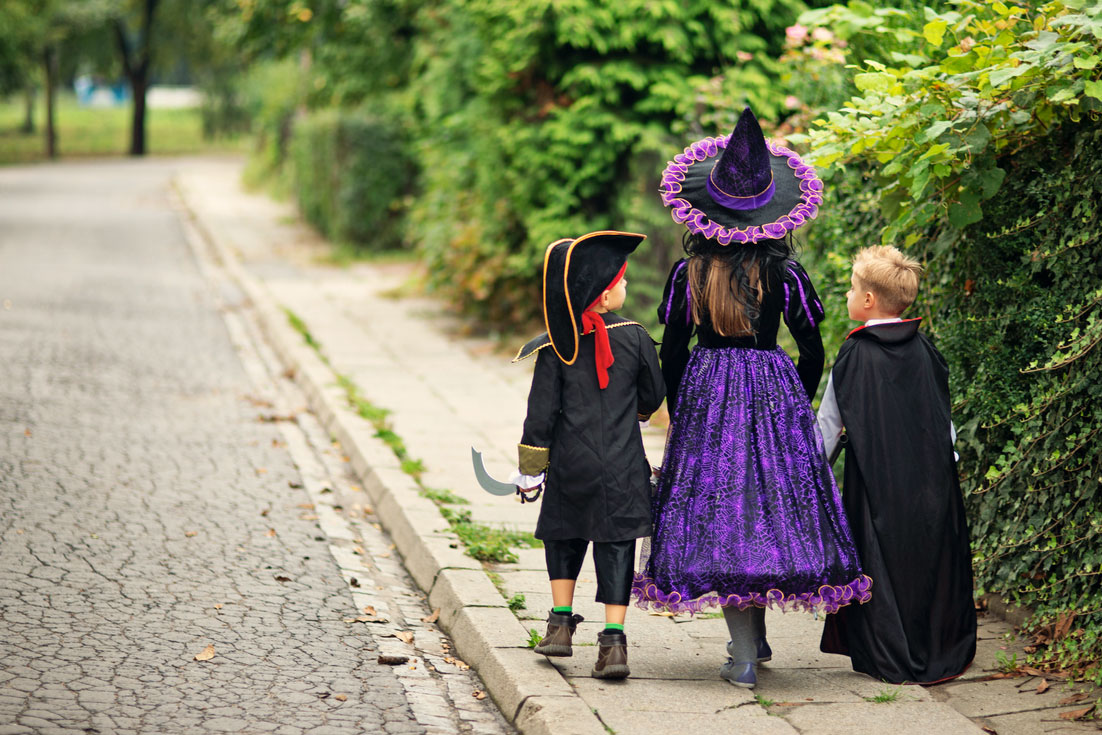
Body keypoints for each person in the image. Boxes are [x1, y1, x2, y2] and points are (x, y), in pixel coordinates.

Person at [631, 106, 871, 689]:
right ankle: (750, 642)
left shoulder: (689, 273)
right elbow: (813, 349)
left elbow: (672, 350)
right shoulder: (787, 275)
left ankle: (744, 652)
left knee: (719, 513)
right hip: (772, 391)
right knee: (762, 508)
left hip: (708, 389)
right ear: (774, 210)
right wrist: (796, 397)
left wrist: (682, 401)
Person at [817, 245, 976, 684]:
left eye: (852, 289)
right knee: (924, 562)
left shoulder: (854, 354)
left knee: (880, 562)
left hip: (875, 484)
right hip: (930, 481)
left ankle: (886, 650)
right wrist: (947, 464)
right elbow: (944, 424)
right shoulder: (926, 351)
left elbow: (828, 427)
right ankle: (932, 645)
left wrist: (811, 473)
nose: (848, 295)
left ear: (868, 301)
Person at [513, 230, 665, 680]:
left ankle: (560, 625)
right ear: (603, 294)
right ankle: (613, 644)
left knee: (564, 535)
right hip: (621, 465)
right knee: (616, 545)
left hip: (570, 464)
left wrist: (531, 471)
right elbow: (653, 395)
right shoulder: (636, 338)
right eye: (620, 281)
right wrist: (633, 413)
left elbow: (540, 412)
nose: (625, 287)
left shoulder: (556, 344)